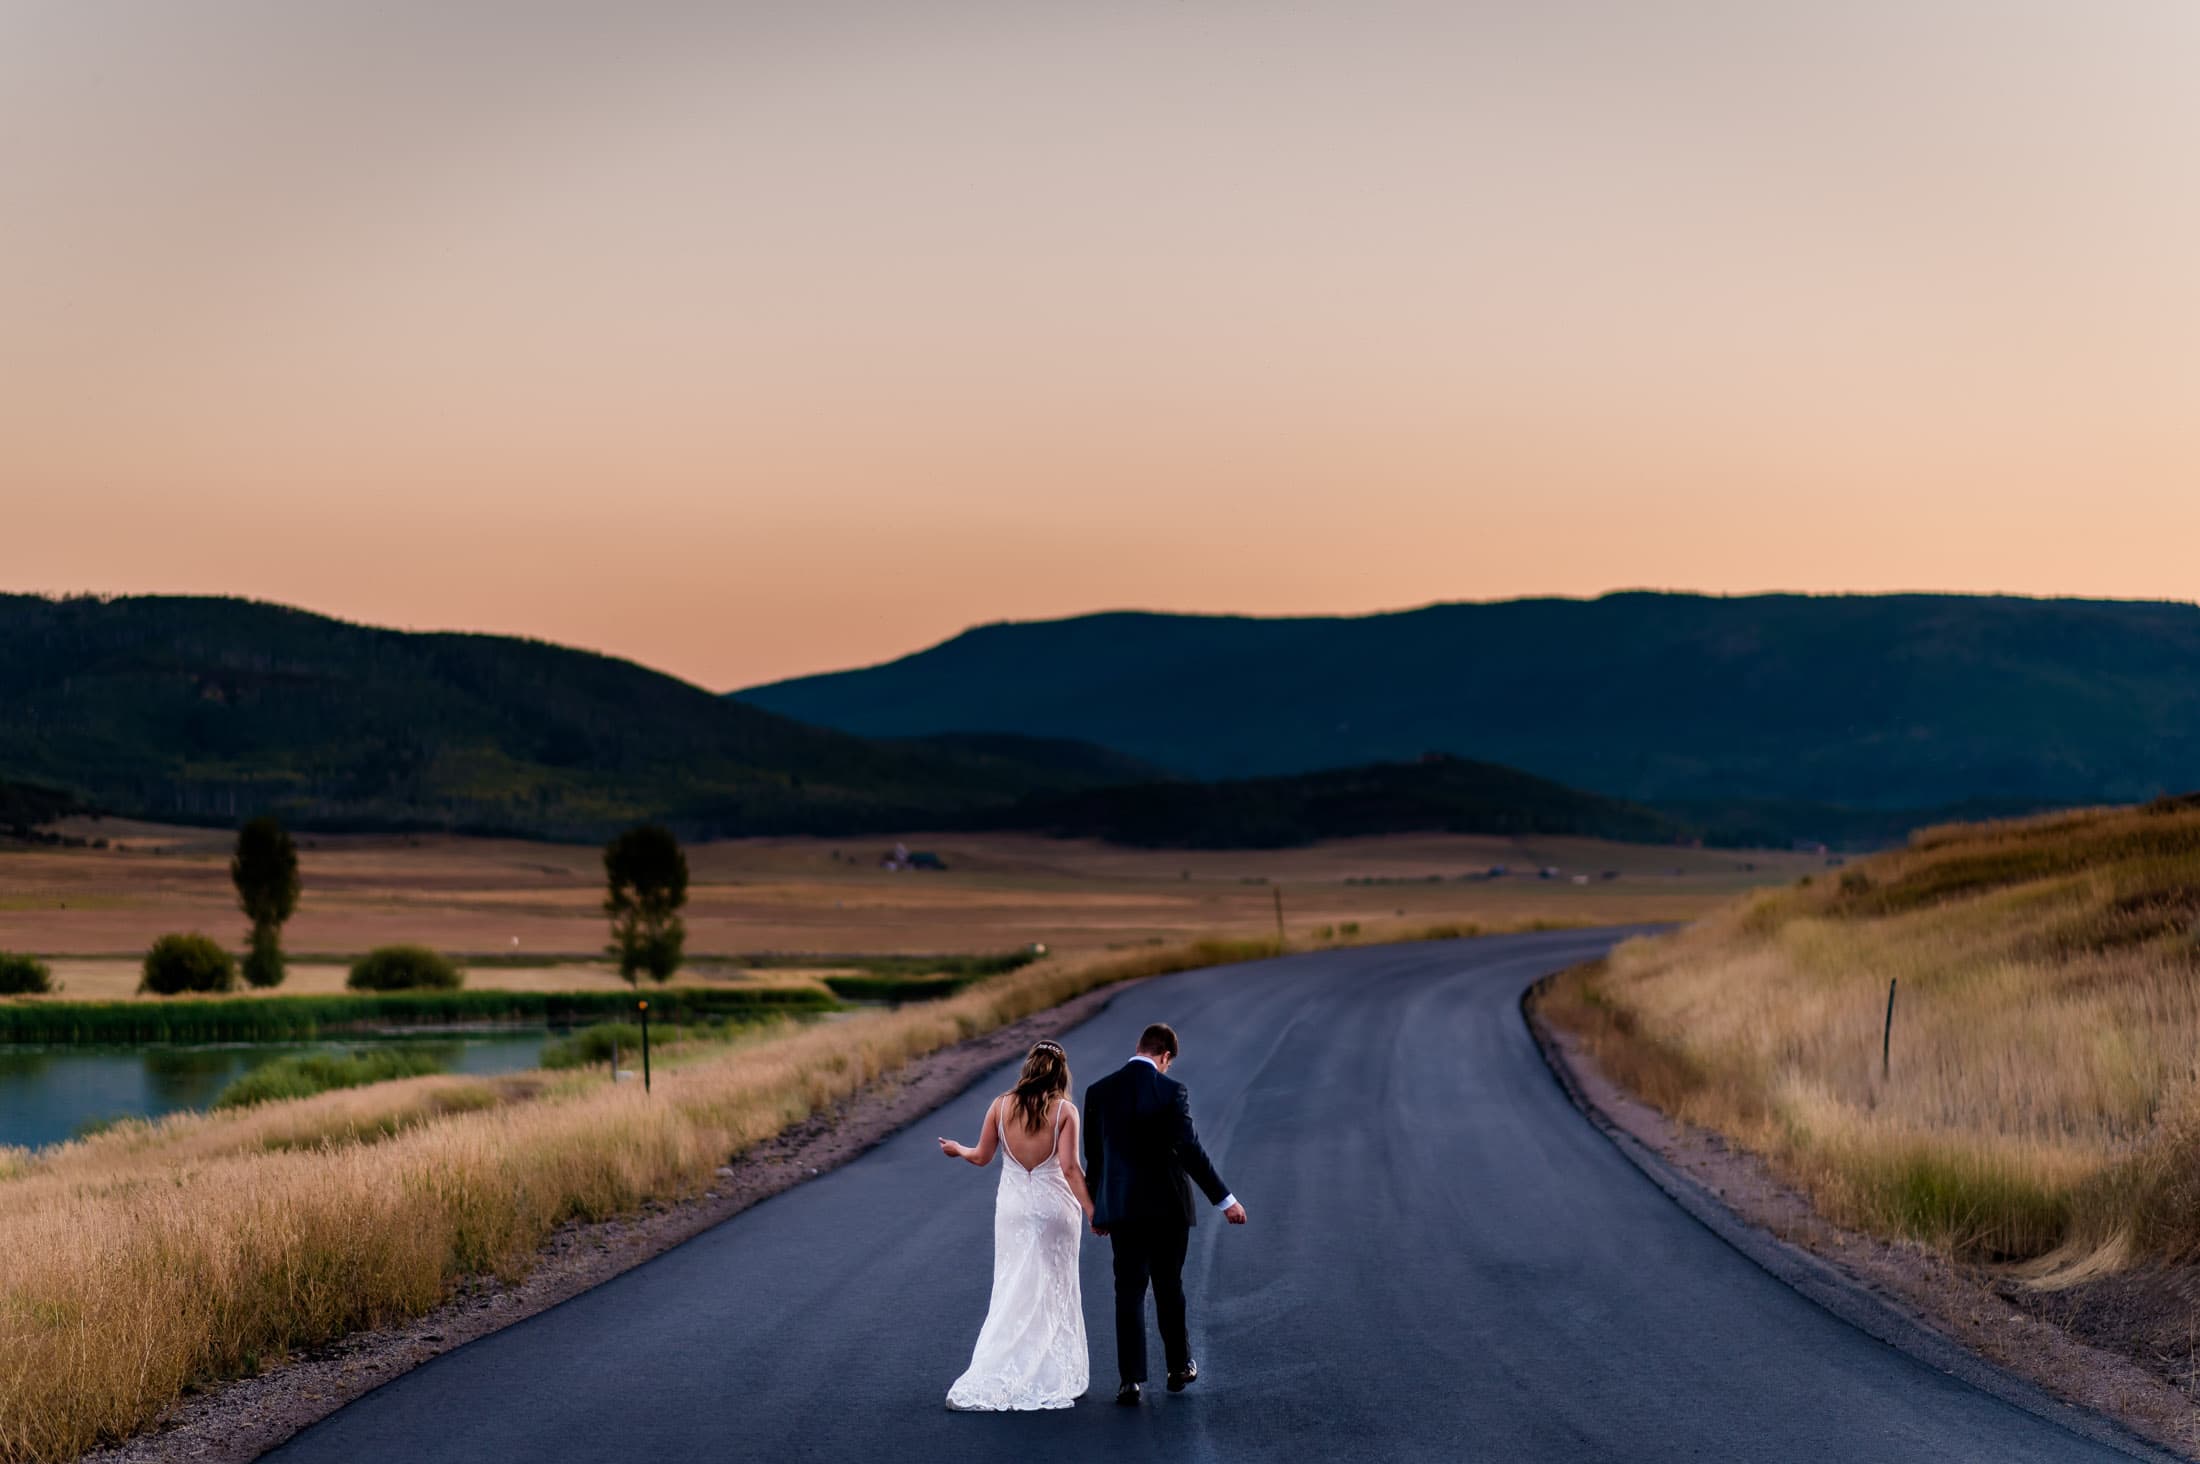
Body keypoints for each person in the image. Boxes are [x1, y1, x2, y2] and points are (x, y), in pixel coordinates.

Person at [1082, 1022, 1247, 1406]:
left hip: (1121, 1209)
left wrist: (1097, 1210)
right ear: (1165, 1056)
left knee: (1129, 1289)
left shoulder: (1099, 1092)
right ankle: (1177, 1367)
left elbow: (1096, 1158)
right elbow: (1189, 1150)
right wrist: (1225, 1200)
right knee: (1169, 1286)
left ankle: (1130, 1381)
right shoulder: (1172, 1091)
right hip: (1168, 1208)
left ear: (1138, 1046)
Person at [937, 1040, 1094, 1410]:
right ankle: (1052, 1371)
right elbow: (1070, 1169)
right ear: (1060, 1072)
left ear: (1028, 1068)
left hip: (1013, 1210)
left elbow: (981, 1157)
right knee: (1054, 1288)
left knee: (1012, 1287)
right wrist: (1091, 1210)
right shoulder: (1065, 1111)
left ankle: (1001, 1366)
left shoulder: (1000, 1105)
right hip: (1056, 1210)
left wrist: (958, 1148)